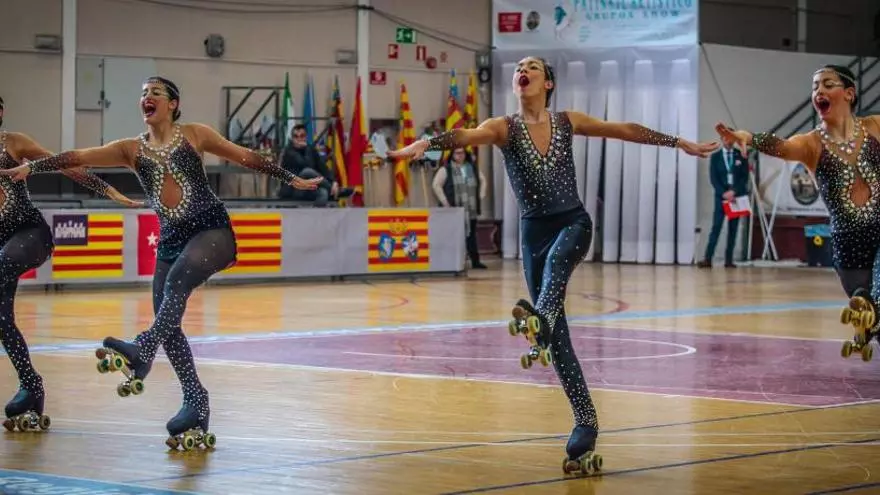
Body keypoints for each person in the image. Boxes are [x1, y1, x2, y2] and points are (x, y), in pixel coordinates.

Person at [388, 56, 718, 475]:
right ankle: (585, 423)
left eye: (533, 67)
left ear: (548, 83)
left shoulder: (567, 121)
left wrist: (677, 141)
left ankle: (538, 321)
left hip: (573, 224)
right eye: (519, 67)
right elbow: (465, 135)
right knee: (559, 341)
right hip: (533, 237)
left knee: (558, 270)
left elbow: (623, 129)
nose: (522, 71)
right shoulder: (503, 127)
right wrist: (428, 143)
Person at [0, 77, 322, 448]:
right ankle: (195, 402)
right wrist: (34, 169)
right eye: (143, 93)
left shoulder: (195, 135)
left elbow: (244, 156)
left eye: (155, 93)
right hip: (171, 239)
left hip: (210, 229)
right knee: (167, 316)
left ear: (173, 104)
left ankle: (142, 348)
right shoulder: (130, 149)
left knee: (176, 284)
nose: (147, 98)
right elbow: (78, 157)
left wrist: (290, 178)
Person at [716, 64, 880, 361]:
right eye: (815, 86)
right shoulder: (811, 144)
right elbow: (781, 146)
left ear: (849, 93)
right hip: (848, 246)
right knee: (871, 315)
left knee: (875, 303)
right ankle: (869, 325)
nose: (819, 91)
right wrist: (749, 137)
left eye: (827, 84)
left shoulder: (875, 127)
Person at [0, 95, 142, 432]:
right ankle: (31, 386)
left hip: (29, 234)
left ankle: (31, 386)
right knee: (2, 321)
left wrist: (108, 190)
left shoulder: (14, 143)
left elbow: (64, 164)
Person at [697, 133, 750, 268]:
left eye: (731, 138)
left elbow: (744, 177)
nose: (728, 141)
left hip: (736, 197)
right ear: (722, 139)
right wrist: (724, 193)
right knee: (716, 227)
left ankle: (729, 260)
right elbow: (714, 178)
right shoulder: (715, 157)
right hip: (721, 198)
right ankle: (708, 258)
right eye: (725, 138)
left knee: (733, 229)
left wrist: (734, 191)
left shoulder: (740, 155)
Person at [431, 147, 487, 269]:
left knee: (471, 236)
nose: (460, 155)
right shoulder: (446, 169)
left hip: (470, 210)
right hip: (452, 210)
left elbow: (483, 181)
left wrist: (480, 196)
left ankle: (475, 262)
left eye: (462, 153)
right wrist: (445, 202)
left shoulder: (472, 168)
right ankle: (450, 262)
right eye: (457, 153)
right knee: (451, 237)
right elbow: (436, 185)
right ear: (452, 154)